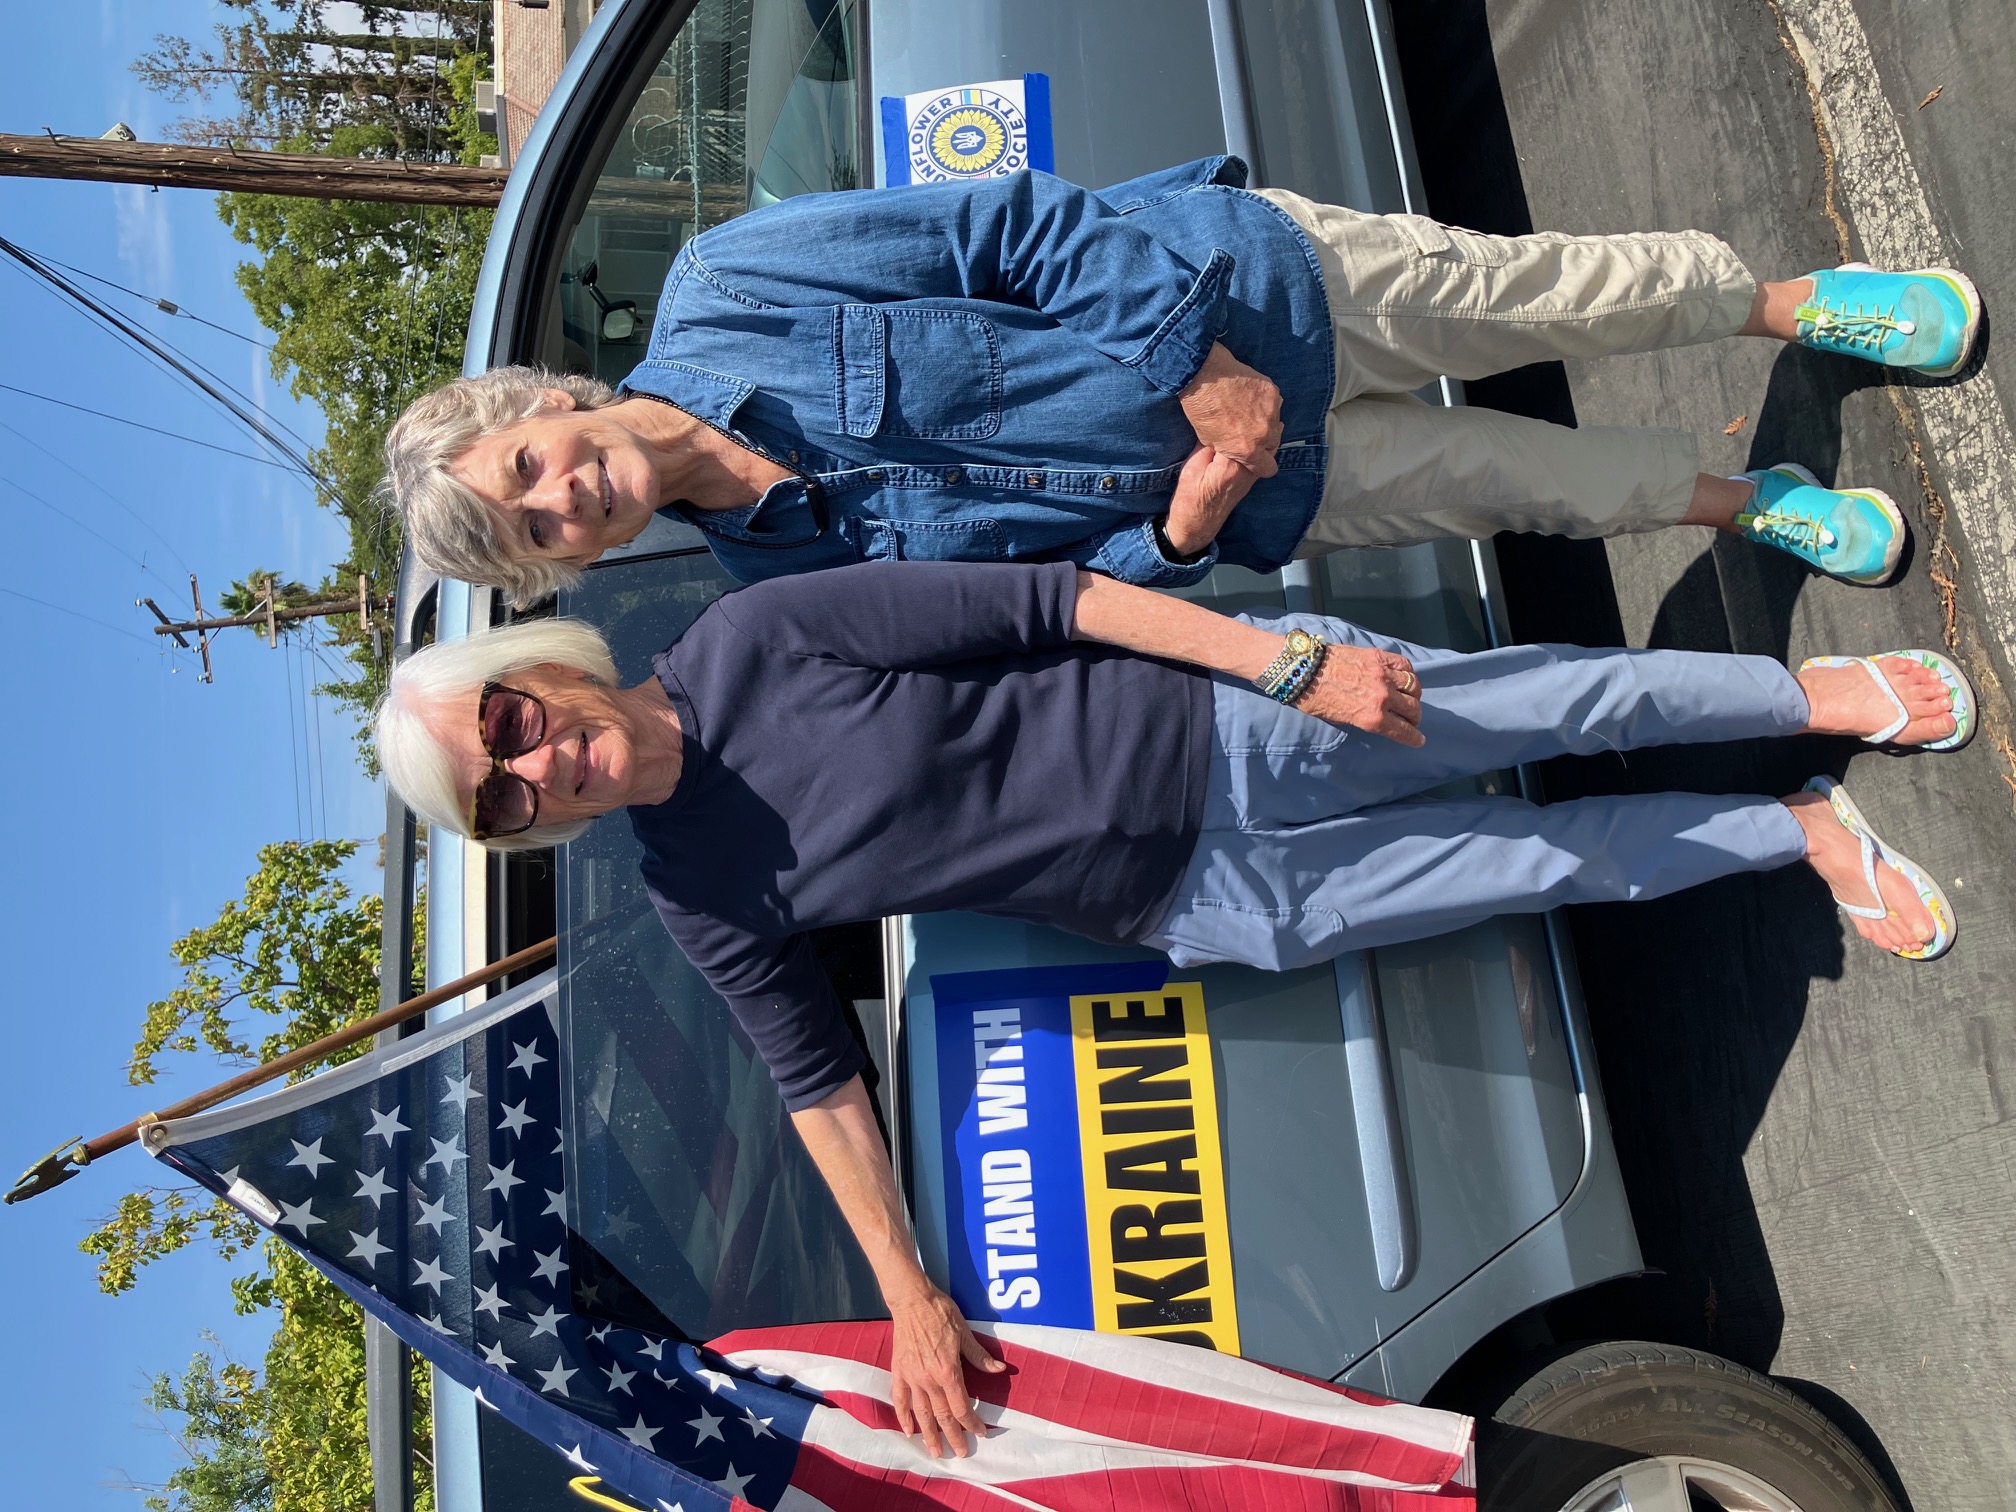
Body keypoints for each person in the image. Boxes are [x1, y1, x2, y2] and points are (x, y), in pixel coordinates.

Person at [375, 559, 1970, 1457]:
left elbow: (1047, 604)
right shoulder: (692, 887)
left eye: (507, 725)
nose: (531, 767)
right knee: (1537, 862)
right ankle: (1795, 829)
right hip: (1196, 901)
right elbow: (817, 1083)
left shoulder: (757, 639)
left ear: (541, 667)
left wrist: (1280, 667)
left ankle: (1808, 698)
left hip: (1228, 725)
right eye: (500, 799)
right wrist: (907, 1296)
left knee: (1545, 700)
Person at [380, 157, 1981, 606]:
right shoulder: (777, 570)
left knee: (1541, 297)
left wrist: (1203, 373)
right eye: (535, 536)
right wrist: (1195, 529)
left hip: (1254, 290)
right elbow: (1050, 592)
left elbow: (1009, 223)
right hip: (1264, 486)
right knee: (1528, 490)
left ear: (542, 407)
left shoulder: (731, 286)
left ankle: (1794, 304)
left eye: (525, 474)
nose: (559, 500)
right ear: (566, 566)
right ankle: (1751, 500)